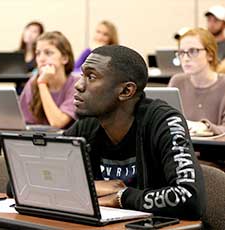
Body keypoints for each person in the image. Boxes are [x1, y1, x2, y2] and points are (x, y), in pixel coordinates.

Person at [64, 45, 205, 219]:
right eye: (82, 75)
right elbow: (45, 178)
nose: (78, 85)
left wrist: (122, 197)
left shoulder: (164, 121)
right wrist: (91, 186)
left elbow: (190, 198)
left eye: (91, 77)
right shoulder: (86, 125)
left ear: (126, 91)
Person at [168, 28, 225, 136]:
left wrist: (205, 126)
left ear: (210, 54)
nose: (185, 58)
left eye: (193, 51)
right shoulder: (177, 81)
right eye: (181, 52)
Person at [20, 31, 78, 129]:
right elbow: (24, 124)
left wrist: (42, 83)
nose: (41, 59)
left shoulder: (77, 84)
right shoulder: (32, 83)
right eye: (38, 53)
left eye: (48, 53)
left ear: (64, 58)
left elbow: (57, 123)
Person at [205, 5, 225, 72]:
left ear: (223, 23)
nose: (211, 24)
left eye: (216, 21)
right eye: (209, 20)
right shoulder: (203, 45)